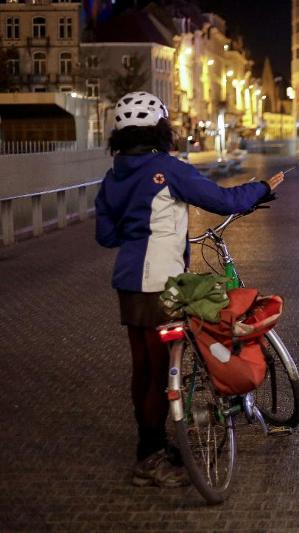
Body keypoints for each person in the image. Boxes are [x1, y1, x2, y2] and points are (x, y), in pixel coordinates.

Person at [95, 91, 284, 487]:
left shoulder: (113, 177)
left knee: (143, 368)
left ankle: (154, 444)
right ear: (161, 129)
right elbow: (219, 199)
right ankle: (148, 457)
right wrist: (262, 189)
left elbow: (106, 235)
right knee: (160, 372)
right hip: (162, 284)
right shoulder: (166, 168)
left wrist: (138, 224)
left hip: (128, 283)